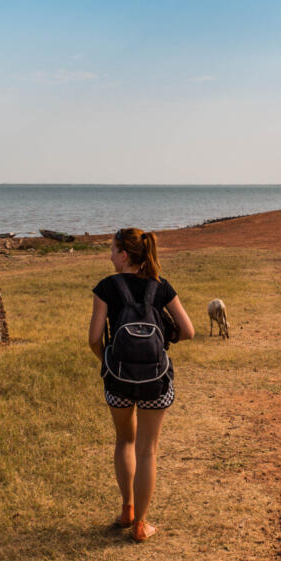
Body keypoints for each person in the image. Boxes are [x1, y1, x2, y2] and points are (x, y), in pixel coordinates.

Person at [88, 227, 194, 543]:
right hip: (156, 382)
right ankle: (141, 525)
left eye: (111, 249)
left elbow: (94, 339)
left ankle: (127, 510)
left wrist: (107, 360)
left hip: (117, 379)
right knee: (148, 450)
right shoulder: (161, 287)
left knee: (125, 442)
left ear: (123, 255)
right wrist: (164, 338)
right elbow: (188, 331)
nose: (109, 255)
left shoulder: (106, 287)